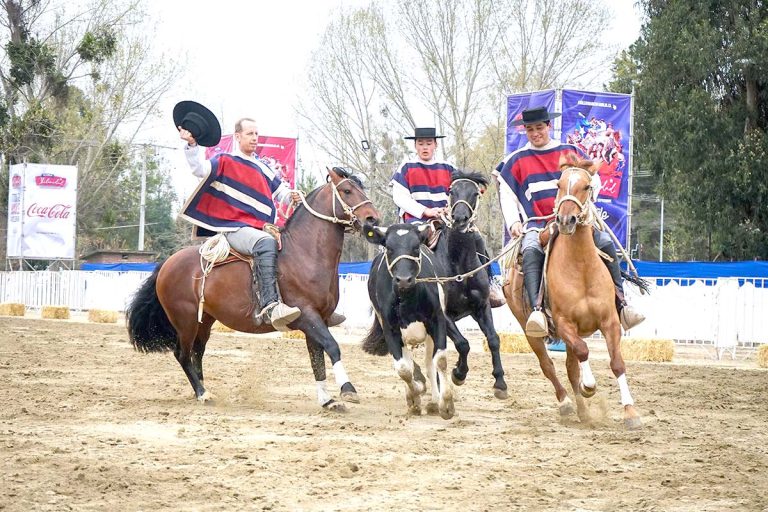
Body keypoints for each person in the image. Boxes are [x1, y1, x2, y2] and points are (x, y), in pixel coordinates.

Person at [493, 106, 644, 336]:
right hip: (537, 224)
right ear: (525, 131)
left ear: (548, 126)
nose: (536, 133)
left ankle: (622, 304)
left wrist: (586, 199)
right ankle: (537, 312)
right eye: (530, 129)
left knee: (604, 241)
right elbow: (506, 192)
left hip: (574, 222)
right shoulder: (515, 160)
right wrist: (513, 221)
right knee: (532, 249)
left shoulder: (569, 151)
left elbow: (593, 179)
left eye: (540, 128)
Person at [175, 102, 301, 331]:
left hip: (259, 227)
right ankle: (271, 306)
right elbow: (199, 170)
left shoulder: (263, 167)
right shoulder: (224, 160)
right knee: (266, 242)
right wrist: (192, 145)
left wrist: (292, 196)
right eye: (250, 133)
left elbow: (281, 193)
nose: (255, 138)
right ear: (238, 136)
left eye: (257, 134)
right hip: (235, 229)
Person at [391, 126, 506, 308]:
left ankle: (489, 283)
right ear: (415, 146)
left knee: (475, 237)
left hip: (445, 220)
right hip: (416, 222)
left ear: (435, 144)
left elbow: (458, 192)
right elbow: (399, 197)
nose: (425, 147)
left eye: (429, 143)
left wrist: (448, 208)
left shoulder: (448, 168)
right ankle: (403, 292)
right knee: (409, 249)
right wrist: (425, 211)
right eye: (420, 144)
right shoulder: (406, 167)